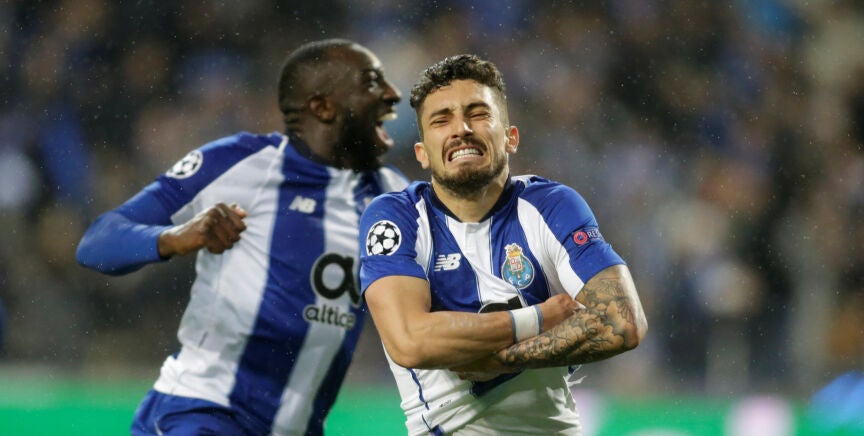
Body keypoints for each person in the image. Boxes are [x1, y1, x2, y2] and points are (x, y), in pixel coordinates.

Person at [76, 39, 407, 435]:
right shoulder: (241, 163)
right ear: (322, 107)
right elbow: (98, 242)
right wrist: (175, 237)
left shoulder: (393, 197)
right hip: (203, 412)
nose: (392, 94)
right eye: (371, 83)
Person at [358, 54, 648, 435]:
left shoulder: (551, 206)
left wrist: (501, 359)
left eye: (478, 114)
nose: (461, 129)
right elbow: (409, 341)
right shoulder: (397, 218)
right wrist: (538, 318)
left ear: (511, 137)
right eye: (441, 120)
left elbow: (623, 322)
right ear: (422, 153)